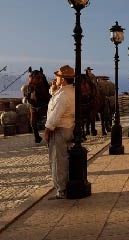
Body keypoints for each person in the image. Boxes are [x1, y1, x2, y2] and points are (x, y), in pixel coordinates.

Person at [44, 65, 75, 200]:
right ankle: (62, 188)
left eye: (58, 76)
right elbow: (54, 96)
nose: (55, 78)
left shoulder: (64, 95)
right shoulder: (68, 91)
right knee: (62, 159)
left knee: (58, 161)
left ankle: (61, 191)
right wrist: (54, 87)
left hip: (60, 129)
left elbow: (55, 115)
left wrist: (47, 130)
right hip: (67, 127)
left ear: (63, 79)